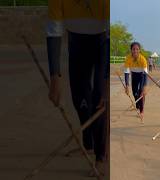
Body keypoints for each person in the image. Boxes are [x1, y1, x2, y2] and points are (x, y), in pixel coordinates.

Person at [46, 0, 108, 176]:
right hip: (76, 42)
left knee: (99, 98)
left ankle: (101, 156)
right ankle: (89, 145)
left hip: (102, 42)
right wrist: (54, 77)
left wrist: (104, 83)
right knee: (79, 98)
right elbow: (54, 32)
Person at [124, 42, 148, 119]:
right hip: (134, 75)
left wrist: (145, 87)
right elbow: (127, 73)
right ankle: (137, 106)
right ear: (131, 50)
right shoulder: (128, 58)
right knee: (135, 93)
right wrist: (127, 85)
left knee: (141, 93)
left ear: (139, 50)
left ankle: (141, 111)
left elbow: (145, 74)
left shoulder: (143, 59)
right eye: (133, 49)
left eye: (137, 49)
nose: (135, 51)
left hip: (142, 76)